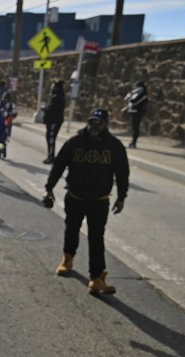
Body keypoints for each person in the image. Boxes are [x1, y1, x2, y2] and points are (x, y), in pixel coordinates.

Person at [42, 108, 129, 295]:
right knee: (71, 229)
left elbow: (122, 173)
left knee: (97, 237)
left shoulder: (114, 146)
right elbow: (59, 165)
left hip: (99, 200)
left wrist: (122, 197)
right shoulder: (75, 143)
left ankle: (96, 278)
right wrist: (49, 187)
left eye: (99, 122)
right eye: (92, 122)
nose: (94, 126)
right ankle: (67, 259)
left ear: (106, 124)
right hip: (75, 197)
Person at [42, 80, 65, 164]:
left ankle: (51, 157)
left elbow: (51, 109)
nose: (51, 88)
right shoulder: (57, 96)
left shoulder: (56, 97)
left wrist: (45, 108)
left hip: (54, 121)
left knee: (51, 138)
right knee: (50, 138)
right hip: (53, 121)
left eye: (53, 86)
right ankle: (50, 156)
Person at [124, 81, 148, 148]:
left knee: (135, 128)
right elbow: (127, 99)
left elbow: (133, 101)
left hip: (137, 112)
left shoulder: (142, 93)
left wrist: (130, 95)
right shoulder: (138, 92)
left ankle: (133, 142)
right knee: (134, 127)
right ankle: (133, 142)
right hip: (134, 112)